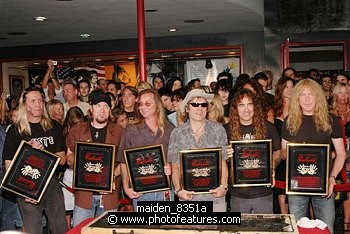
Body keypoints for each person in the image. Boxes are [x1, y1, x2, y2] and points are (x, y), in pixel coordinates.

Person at [281, 79, 346, 233]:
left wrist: (332, 177)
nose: (307, 98)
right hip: (297, 186)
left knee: (326, 229)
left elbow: (341, 153)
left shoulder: (330, 120)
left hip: (324, 186)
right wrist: (293, 153)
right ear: (297, 98)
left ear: (318, 96)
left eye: (311, 94)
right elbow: (283, 153)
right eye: (303, 95)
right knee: (296, 229)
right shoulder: (290, 121)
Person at [2, 86, 67, 234]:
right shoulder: (15, 130)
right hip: (27, 186)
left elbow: (62, 160)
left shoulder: (54, 126)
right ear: (25, 105)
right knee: (33, 229)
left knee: (60, 227)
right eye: (33, 101)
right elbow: (9, 166)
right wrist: (25, 191)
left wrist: (43, 153)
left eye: (40, 100)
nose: (37, 104)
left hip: (51, 184)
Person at [66, 90, 123, 227]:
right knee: (81, 230)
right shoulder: (77, 130)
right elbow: (68, 158)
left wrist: (110, 177)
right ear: (91, 108)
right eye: (98, 106)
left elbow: (124, 162)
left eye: (105, 106)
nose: (102, 110)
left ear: (110, 110)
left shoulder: (119, 131)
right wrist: (82, 160)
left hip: (109, 195)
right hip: (84, 196)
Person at [167, 89, 228, 211]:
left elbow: (223, 162)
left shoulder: (219, 130)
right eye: (195, 104)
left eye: (203, 104)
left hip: (215, 198)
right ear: (187, 108)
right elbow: (175, 166)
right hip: (188, 198)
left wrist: (224, 187)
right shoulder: (177, 133)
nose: (199, 108)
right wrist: (178, 190)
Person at [117, 89, 174, 209]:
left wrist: (171, 167)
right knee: (145, 227)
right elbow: (123, 161)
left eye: (147, 104)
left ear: (157, 106)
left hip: (165, 189)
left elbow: (176, 158)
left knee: (166, 226)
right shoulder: (131, 130)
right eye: (141, 104)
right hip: (141, 191)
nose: (143, 107)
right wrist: (126, 186)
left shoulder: (170, 129)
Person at [225, 89, 280, 214]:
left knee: (264, 229)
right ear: (235, 108)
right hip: (238, 193)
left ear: (255, 107)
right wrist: (226, 156)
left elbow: (277, 152)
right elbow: (221, 161)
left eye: (250, 104)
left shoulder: (268, 127)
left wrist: (271, 167)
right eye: (241, 105)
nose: (246, 109)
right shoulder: (226, 130)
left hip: (263, 192)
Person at [273, 76, 295, 214]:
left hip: (295, 152)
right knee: (281, 184)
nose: (289, 90)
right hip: (279, 153)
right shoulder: (273, 109)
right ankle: (284, 217)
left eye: (292, 86)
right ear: (280, 88)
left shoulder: (299, 108)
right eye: (286, 86)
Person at [329, 83, 350, 232]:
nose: (344, 96)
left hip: (349, 154)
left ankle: (347, 223)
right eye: (340, 93)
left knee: (348, 189)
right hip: (332, 154)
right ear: (335, 94)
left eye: (346, 93)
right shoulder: (328, 113)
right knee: (333, 189)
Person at [61, 106, 85, 230]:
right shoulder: (63, 135)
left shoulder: (86, 134)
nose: (78, 127)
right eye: (75, 124)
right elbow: (67, 159)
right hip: (69, 175)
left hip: (83, 175)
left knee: (81, 211)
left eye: (80, 123)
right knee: (67, 211)